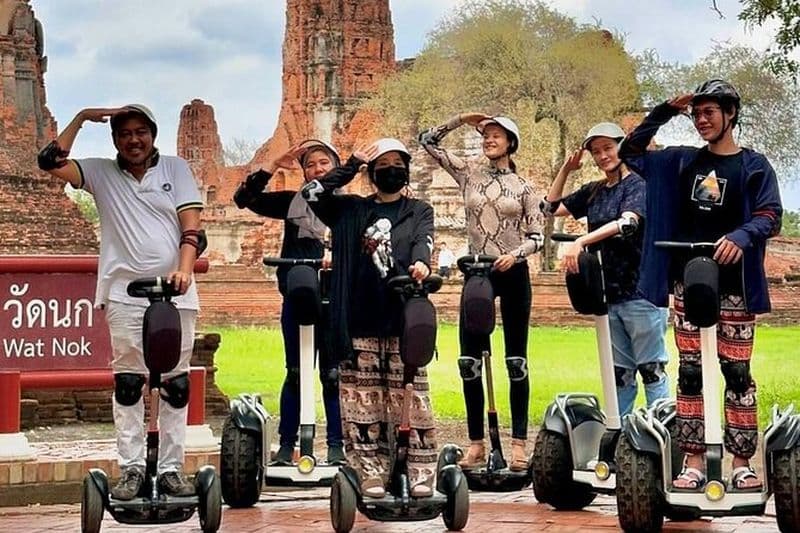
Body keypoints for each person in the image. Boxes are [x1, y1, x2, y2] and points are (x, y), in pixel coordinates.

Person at [619, 79, 783, 491]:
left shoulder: (753, 165)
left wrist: (742, 236)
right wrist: (665, 110)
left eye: (709, 112)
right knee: (690, 372)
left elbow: (770, 215)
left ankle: (742, 463)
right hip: (688, 284)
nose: (701, 120)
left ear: (731, 114)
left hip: (735, 287)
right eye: (696, 114)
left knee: (737, 373)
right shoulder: (681, 162)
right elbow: (630, 152)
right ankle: (692, 461)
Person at [37, 105, 205, 499]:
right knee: (129, 383)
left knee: (176, 383)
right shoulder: (101, 173)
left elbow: (192, 230)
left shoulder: (176, 169)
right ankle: (131, 468)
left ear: (153, 135)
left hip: (176, 294)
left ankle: (171, 469)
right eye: (125, 133)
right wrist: (82, 117)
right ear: (115, 139)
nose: (134, 140)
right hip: (124, 294)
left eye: (141, 132)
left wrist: (183, 270)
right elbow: (49, 162)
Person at [302, 138, 437, 499]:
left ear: (406, 170)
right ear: (372, 172)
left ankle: (419, 469)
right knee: (363, 402)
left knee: (411, 398)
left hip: (404, 318)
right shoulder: (350, 210)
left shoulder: (419, 209)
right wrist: (351, 165)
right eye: (383, 164)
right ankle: (369, 469)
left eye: (398, 164)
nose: (391, 170)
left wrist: (422, 263)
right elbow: (311, 192)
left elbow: (424, 240)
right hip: (359, 318)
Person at [419, 113, 544, 472]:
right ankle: (476, 443)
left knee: (516, 360)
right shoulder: (469, 174)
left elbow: (537, 237)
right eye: (486, 134)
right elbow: (427, 141)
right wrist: (461, 120)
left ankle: (518, 444)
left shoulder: (525, 187)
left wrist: (514, 255)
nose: (489, 139)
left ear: (510, 142)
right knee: (469, 361)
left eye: (496, 135)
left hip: (512, 270)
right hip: (477, 272)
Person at [540, 122, 670, 416]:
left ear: (622, 147)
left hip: (641, 291)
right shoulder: (594, 191)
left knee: (652, 369)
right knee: (620, 374)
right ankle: (618, 430)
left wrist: (581, 241)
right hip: (608, 294)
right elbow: (550, 209)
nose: (602, 156)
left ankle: (660, 431)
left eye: (608, 148)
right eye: (596, 151)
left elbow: (627, 223)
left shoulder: (638, 185)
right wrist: (566, 170)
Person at [233, 140, 345, 465]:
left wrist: (337, 255)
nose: (317, 169)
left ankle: (337, 446)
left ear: (337, 168)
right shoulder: (293, 203)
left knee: (333, 374)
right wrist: (271, 165)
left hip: (335, 300)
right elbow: (245, 200)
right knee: (295, 372)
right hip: (297, 296)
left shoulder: (351, 207)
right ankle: (286, 445)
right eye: (310, 164)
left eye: (324, 163)